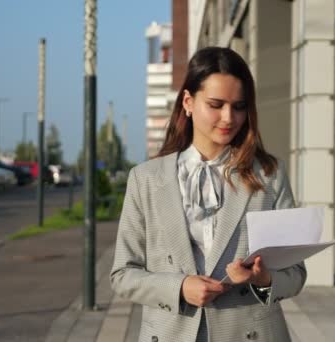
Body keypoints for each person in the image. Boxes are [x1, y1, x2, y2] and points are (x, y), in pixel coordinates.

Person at [110, 46, 306, 342]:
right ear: (188, 102)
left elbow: (296, 274)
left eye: (239, 106)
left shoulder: (269, 175)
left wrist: (261, 279)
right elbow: (123, 274)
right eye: (216, 104)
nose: (229, 117)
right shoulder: (146, 179)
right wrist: (179, 287)